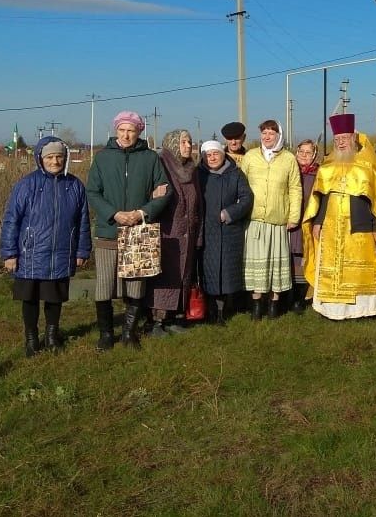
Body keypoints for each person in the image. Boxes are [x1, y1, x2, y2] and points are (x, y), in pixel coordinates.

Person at [0, 137, 91, 357]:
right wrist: (9, 253)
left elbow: (83, 221)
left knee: (54, 297)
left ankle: (52, 336)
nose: (55, 161)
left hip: (61, 252)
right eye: (50, 157)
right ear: (41, 159)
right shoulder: (26, 185)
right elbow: (12, 219)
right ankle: (31, 338)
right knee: (29, 298)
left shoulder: (74, 186)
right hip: (30, 253)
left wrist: (82, 250)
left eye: (59, 156)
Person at [86, 112, 169, 350]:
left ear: (139, 131)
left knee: (136, 283)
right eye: (122, 130)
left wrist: (141, 213)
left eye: (131, 130)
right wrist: (114, 213)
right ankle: (105, 334)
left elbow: (164, 190)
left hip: (138, 231)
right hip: (108, 230)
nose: (126, 134)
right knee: (104, 284)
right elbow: (93, 191)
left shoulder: (150, 158)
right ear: (116, 131)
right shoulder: (102, 158)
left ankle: (129, 333)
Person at [303, 114, 376, 320]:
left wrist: (373, 226)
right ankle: (330, 309)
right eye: (337, 139)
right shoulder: (327, 165)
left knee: (357, 270)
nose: (341, 143)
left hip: (359, 226)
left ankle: (361, 310)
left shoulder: (367, 165)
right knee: (332, 267)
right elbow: (320, 197)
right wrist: (318, 221)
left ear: (353, 138)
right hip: (331, 224)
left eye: (345, 138)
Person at [240, 119, 301, 319]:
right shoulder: (250, 156)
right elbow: (240, 185)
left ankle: (275, 304)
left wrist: (293, 216)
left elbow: (295, 188)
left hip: (278, 220)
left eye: (271, 134)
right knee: (256, 263)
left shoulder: (288, 159)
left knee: (275, 266)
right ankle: (257, 303)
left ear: (279, 136)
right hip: (255, 219)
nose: (267, 137)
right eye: (264, 133)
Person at [145, 129, 201, 337]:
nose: (188, 146)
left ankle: (173, 317)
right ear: (173, 143)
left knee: (183, 276)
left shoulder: (191, 169)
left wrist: (198, 233)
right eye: (184, 142)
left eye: (190, 141)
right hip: (166, 233)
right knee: (164, 278)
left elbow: (198, 204)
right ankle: (156, 321)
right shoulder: (161, 165)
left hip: (188, 233)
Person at [197, 139, 254, 325]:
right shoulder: (198, 175)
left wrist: (229, 213)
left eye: (216, 154)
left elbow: (246, 198)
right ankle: (209, 310)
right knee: (208, 271)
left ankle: (223, 311)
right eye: (208, 155)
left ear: (223, 155)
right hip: (205, 231)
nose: (212, 158)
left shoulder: (235, 174)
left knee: (226, 272)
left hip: (229, 231)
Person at [289, 140, 319, 313]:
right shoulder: (291, 171)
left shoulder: (318, 173)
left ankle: (300, 299)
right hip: (291, 222)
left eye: (308, 153)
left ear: (314, 155)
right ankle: (288, 296)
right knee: (289, 259)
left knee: (304, 259)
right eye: (301, 152)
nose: (304, 156)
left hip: (308, 222)